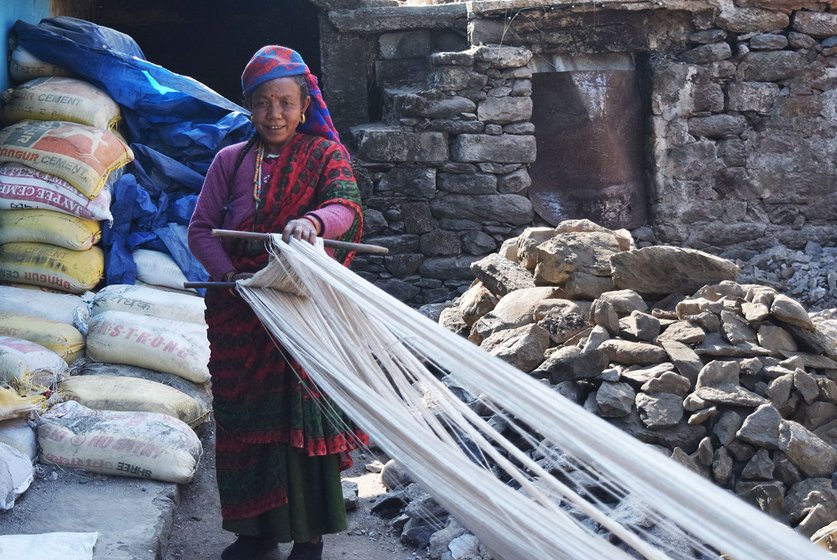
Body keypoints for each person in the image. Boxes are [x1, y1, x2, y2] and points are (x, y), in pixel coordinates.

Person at [188, 45, 367, 560]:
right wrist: (228, 277)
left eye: (286, 102)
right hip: (241, 310)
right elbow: (202, 229)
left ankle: (308, 537)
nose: (275, 114)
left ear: (304, 106)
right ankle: (254, 533)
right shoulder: (229, 161)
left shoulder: (325, 156)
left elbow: (345, 209)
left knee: (300, 420)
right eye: (264, 103)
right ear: (249, 106)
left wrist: (312, 223)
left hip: (302, 307)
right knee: (244, 421)